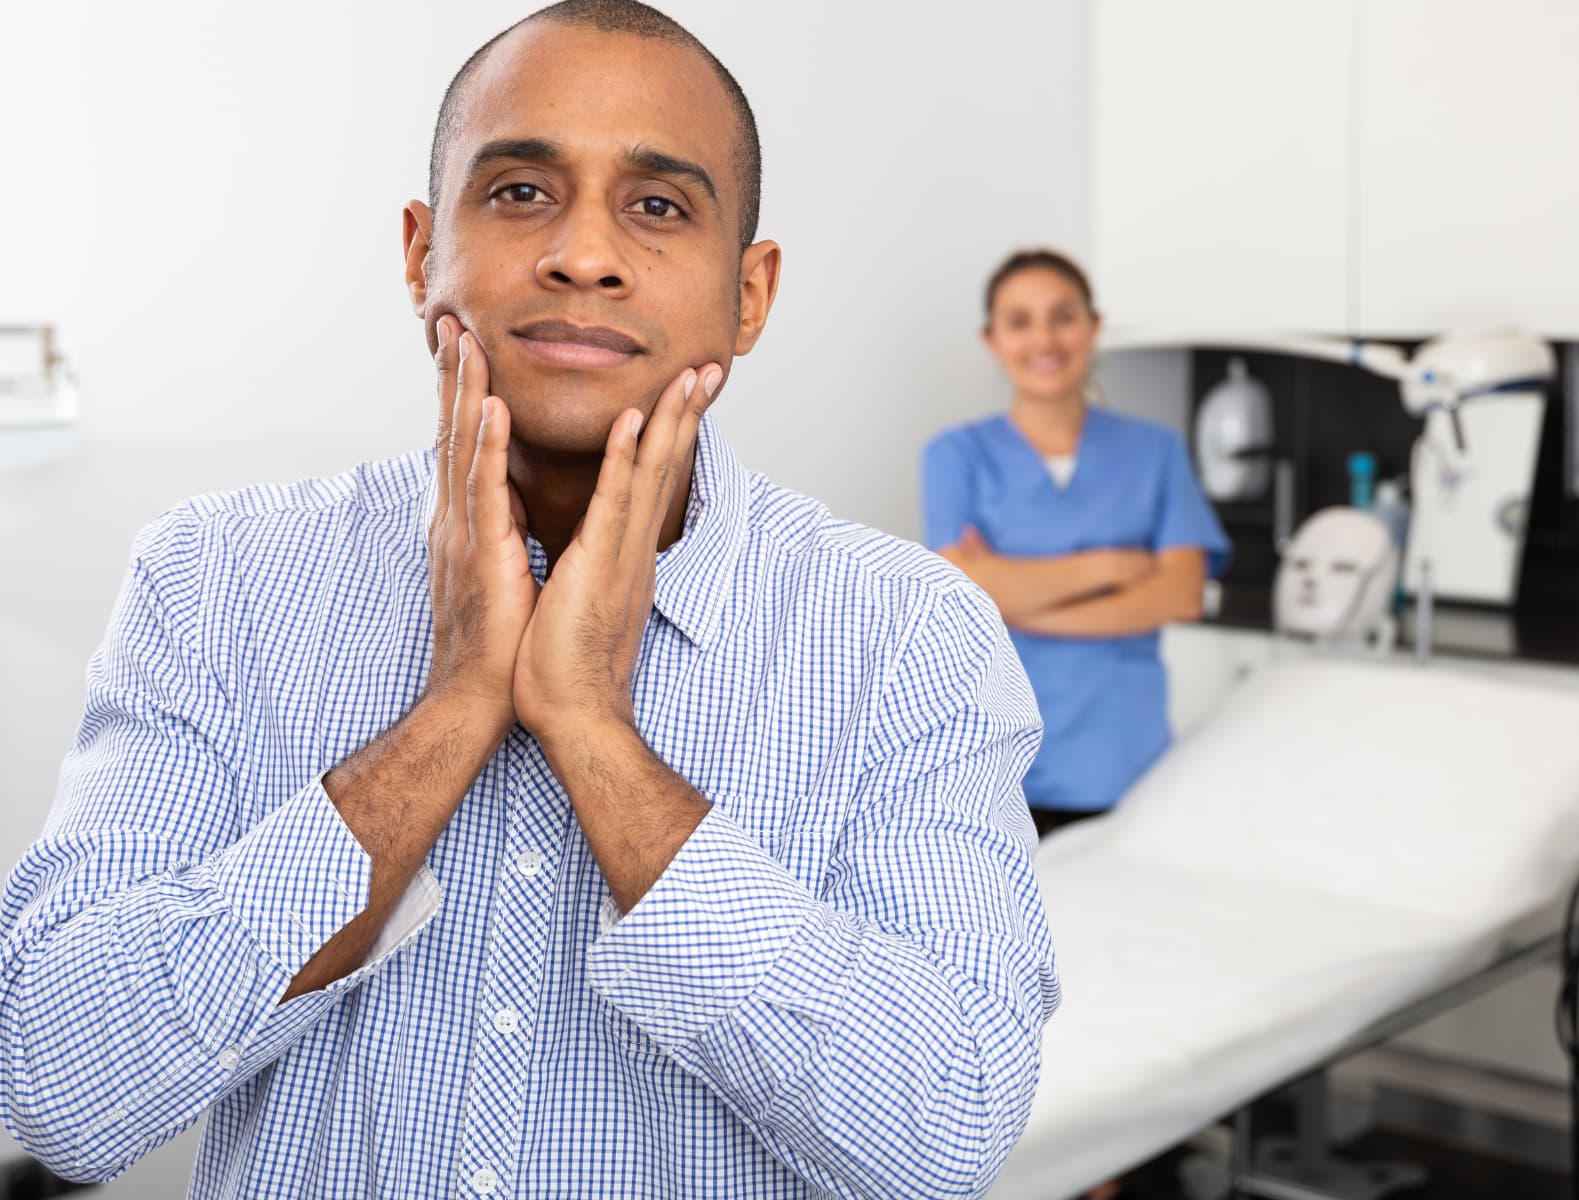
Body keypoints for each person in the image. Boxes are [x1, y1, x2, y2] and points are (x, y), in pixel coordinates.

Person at [0, 6, 1058, 1197]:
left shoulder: (907, 632)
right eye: (517, 192)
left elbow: (943, 1134)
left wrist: (592, 729)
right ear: (419, 252)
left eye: (659, 206)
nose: (584, 256)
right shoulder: (213, 578)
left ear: (749, 293)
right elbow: (57, 1087)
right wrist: (453, 712)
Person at [923, 250, 1232, 840]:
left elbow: (1183, 594)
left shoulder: (1154, 451)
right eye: (1020, 322)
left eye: (1063, 317)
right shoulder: (955, 456)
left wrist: (1013, 595)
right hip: (995, 766)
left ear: (1094, 326)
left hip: (1123, 762)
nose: (1044, 338)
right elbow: (963, 591)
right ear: (992, 340)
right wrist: (1111, 565)